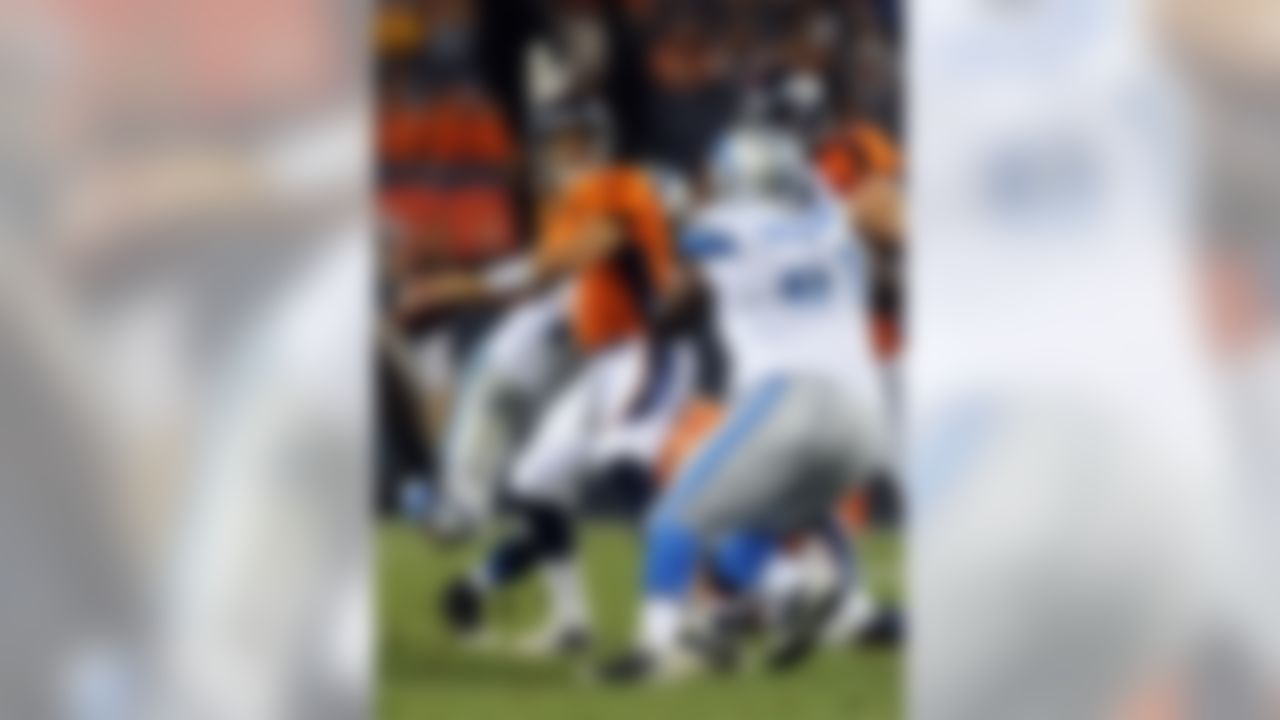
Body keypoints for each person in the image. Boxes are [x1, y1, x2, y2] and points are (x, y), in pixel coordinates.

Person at [600, 125, 890, 683]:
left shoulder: (725, 223)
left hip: (791, 395)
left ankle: (659, 646)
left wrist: (673, 241)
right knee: (763, 523)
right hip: (864, 418)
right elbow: (878, 287)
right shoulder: (836, 221)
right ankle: (744, 617)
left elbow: (676, 308)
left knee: (674, 516)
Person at [399, 99, 690, 655]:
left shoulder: (621, 206)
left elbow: (563, 267)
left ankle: (586, 620)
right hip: (506, 379)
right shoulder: (579, 212)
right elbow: (541, 273)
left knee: (546, 486)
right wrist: (455, 288)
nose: (567, 154)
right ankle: (417, 491)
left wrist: (455, 287)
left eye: (576, 140)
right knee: (455, 521)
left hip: (584, 373)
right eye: (560, 142)